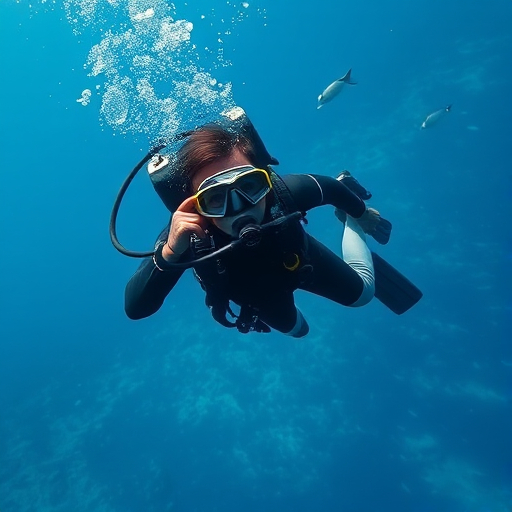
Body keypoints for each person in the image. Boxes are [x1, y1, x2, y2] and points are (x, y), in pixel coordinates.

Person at [124, 117, 393, 338]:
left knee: (363, 294)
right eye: (216, 198)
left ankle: (350, 224)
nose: (240, 207)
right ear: (194, 205)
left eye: (249, 186)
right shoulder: (186, 234)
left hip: (301, 260)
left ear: (266, 178)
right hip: (260, 298)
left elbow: (331, 188)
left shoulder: (284, 193)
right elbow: (136, 307)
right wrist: (171, 251)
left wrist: (361, 213)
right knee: (299, 331)